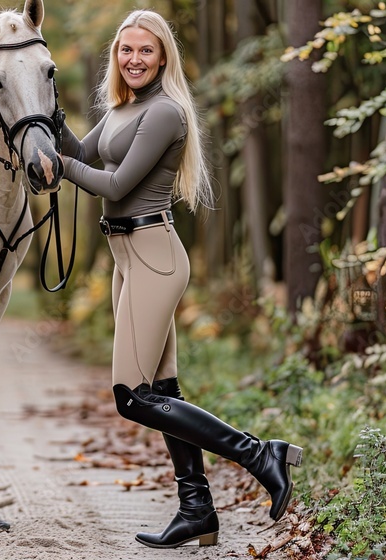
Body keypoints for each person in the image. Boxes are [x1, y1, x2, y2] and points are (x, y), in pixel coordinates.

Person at [58, 10, 303, 549]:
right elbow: (80, 152)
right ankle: (198, 510)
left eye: (146, 51)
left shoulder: (166, 112)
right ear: (116, 57)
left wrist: (61, 169)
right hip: (127, 256)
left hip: (154, 256)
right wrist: (46, 121)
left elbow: (114, 182)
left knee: (133, 396)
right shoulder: (123, 108)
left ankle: (260, 454)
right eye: (126, 51)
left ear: (163, 56)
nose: (134, 59)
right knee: (163, 389)